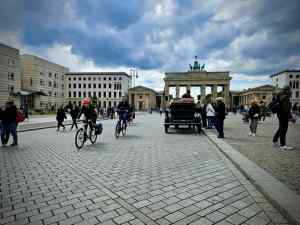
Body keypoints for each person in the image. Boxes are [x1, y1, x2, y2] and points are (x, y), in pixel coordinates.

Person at [272, 86, 295, 150]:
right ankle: (283, 144)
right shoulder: (285, 96)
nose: (291, 91)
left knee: (281, 128)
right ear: (287, 90)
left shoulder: (280, 95)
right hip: (283, 114)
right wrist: (290, 117)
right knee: (284, 129)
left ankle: (275, 140)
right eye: (290, 90)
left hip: (280, 113)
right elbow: (286, 108)